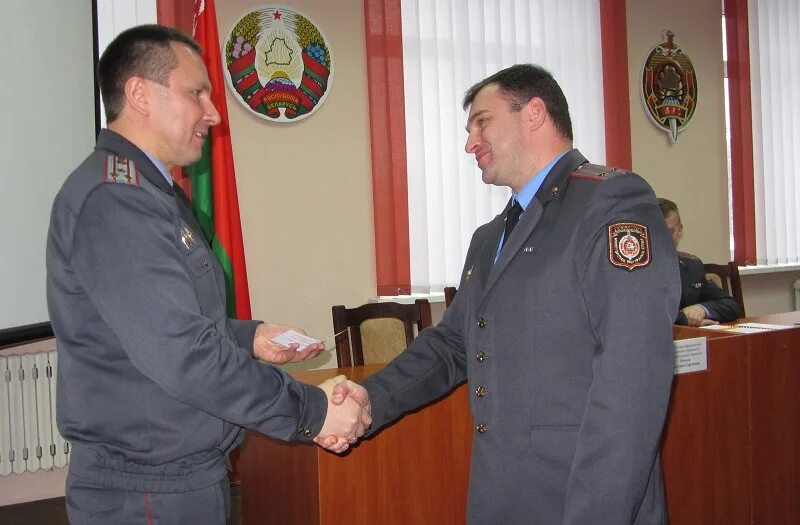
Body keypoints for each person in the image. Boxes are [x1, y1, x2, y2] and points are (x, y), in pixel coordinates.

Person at [327, 64, 681, 523]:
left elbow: (632, 378)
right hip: (503, 494)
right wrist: (369, 398)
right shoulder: (490, 236)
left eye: (482, 122)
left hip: (582, 495)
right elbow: (454, 344)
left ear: (534, 113)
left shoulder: (608, 202)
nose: (470, 142)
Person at [46, 25, 368, 524]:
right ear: (139, 95)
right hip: (148, 492)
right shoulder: (116, 201)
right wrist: (312, 410)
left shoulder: (150, 194)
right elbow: (183, 354)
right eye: (197, 92)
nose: (213, 113)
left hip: (182, 474)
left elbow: (170, 323)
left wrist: (250, 337)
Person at [658, 197, 742, 326]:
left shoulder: (692, 267)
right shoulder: (633, 270)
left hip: (691, 342)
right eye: (658, 232)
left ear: (680, 230)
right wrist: (683, 318)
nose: (664, 239)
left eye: (670, 232)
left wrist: (701, 309)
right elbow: (636, 318)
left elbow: (730, 305)